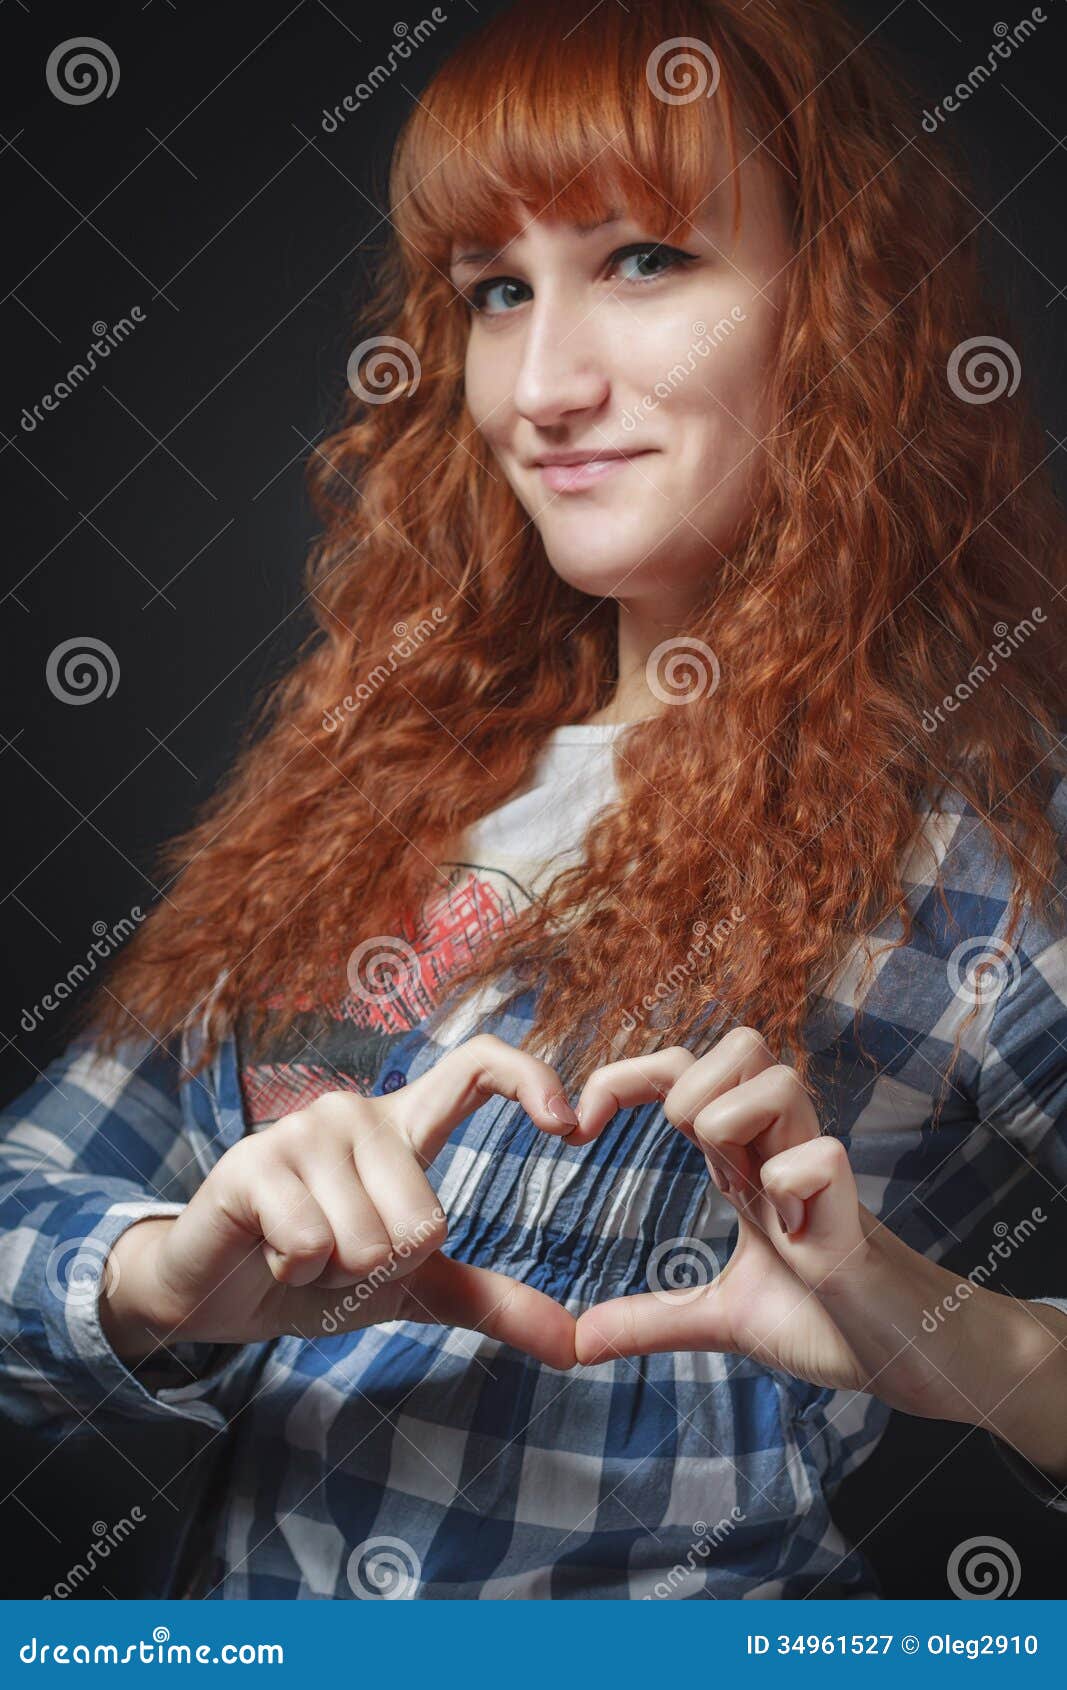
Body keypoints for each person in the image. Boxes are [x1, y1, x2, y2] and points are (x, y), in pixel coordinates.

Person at [3, 0, 1067, 1600]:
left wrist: (950, 1333)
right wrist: (164, 1273)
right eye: (497, 292)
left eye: (644, 259)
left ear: (841, 311)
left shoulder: (989, 831)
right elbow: (35, 1188)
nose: (545, 384)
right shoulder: (372, 765)